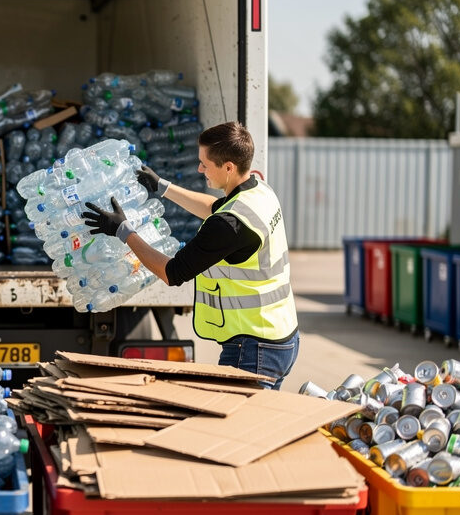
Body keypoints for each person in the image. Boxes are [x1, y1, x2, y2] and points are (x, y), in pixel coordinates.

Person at [82, 121, 299, 390]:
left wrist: (123, 230)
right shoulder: (259, 191)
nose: (199, 169)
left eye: (205, 164)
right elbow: (214, 207)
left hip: (254, 348)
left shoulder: (228, 226)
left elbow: (171, 272)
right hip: (281, 335)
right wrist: (162, 186)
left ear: (228, 167)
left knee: (233, 429)